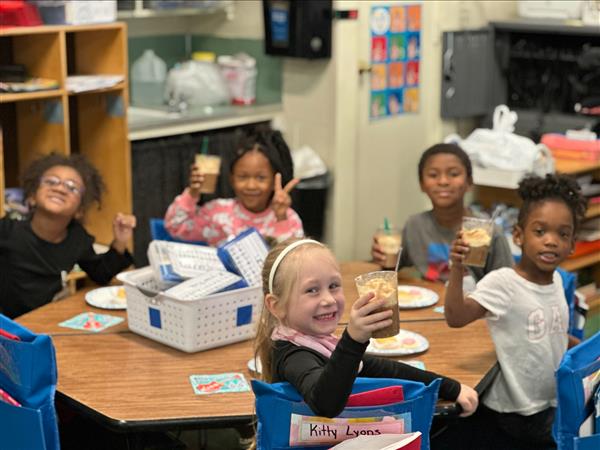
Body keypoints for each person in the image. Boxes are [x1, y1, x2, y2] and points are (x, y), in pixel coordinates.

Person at [255, 238, 478, 421]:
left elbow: (383, 369)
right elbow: (325, 404)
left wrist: (450, 388)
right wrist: (352, 340)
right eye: (312, 290)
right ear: (276, 306)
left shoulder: (320, 343)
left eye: (333, 286)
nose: (328, 300)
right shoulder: (294, 354)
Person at [443, 174, 587, 449]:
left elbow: (551, 332)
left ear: (572, 244)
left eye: (563, 234)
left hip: (547, 404)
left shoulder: (557, 281)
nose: (551, 241)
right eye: (540, 231)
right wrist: (457, 269)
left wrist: (585, 351)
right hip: (508, 413)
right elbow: (456, 317)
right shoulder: (504, 282)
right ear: (519, 236)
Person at [0, 153, 136, 319]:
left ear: (79, 209)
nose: (60, 188)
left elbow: (100, 273)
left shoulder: (76, 238)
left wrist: (120, 241)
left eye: (72, 187)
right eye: (51, 181)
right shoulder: (7, 230)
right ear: (32, 196)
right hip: (8, 327)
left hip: (46, 321)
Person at [371, 143, 513, 284]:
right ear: (422, 184)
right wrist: (384, 258)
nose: (443, 181)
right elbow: (393, 269)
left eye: (453, 174)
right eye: (433, 175)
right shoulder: (415, 225)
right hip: (427, 302)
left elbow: (506, 286)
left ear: (469, 182)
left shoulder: (488, 232)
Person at [164, 129, 304, 247]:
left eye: (261, 178)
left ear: (275, 180)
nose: (250, 186)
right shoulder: (217, 213)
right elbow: (175, 226)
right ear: (231, 178)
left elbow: (293, 262)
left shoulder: (289, 218)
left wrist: (281, 218)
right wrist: (192, 193)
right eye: (242, 177)